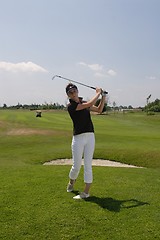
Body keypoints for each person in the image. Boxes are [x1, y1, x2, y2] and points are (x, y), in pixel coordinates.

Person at [66, 83, 106, 199]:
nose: (73, 93)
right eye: (70, 92)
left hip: (90, 136)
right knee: (76, 166)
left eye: (74, 90)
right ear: (68, 95)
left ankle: (86, 192)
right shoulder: (71, 106)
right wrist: (98, 93)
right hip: (78, 138)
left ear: (77, 91)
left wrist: (103, 96)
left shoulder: (83, 103)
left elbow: (99, 109)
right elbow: (90, 104)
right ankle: (71, 182)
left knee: (88, 165)